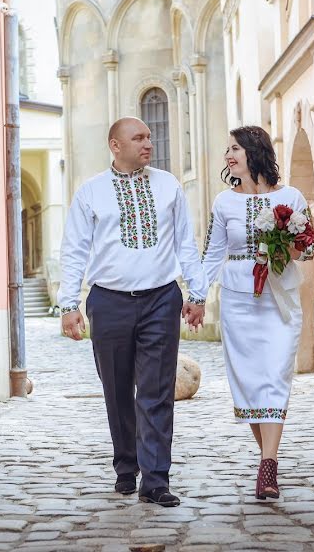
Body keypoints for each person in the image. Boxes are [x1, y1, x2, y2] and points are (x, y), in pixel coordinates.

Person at [58, 116, 208, 507]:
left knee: (157, 392)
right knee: (117, 387)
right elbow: (74, 250)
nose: (148, 143)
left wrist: (197, 292)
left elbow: (185, 243)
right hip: (108, 301)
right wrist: (69, 304)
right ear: (115, 145)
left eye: (149, 136)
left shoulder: (168, 185)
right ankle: (126, 465)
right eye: (137, 138)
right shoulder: (90, 192)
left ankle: (156, 479)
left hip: (161, 298)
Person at [200, 125, 314, 499]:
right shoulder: (223, 203)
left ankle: (268, 466)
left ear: (255, 152)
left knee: (275, 375)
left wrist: (291, 245)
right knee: (250, 382)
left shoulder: (292, 196)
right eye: (227, 150)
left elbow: (311, 248)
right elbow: (212, 254)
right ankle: (267, 461)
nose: (228, 156)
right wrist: (196, 295)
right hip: (238, 299)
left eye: (235, 148)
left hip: (279, 298)